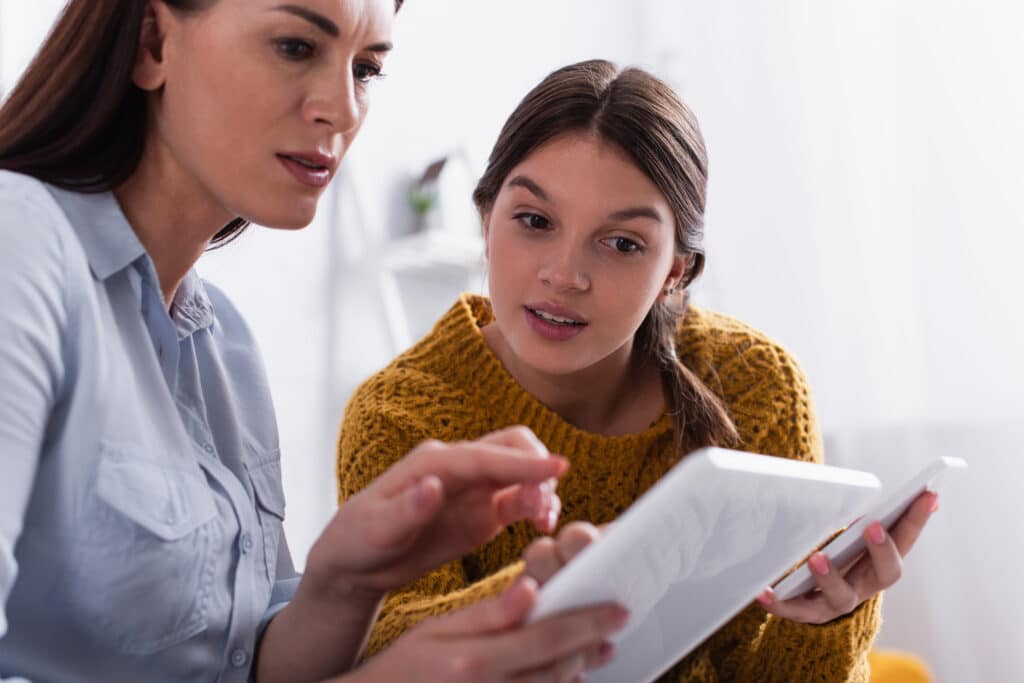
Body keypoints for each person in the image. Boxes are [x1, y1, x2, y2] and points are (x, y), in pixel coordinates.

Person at [0, 2, 627, 682]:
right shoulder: (19, 242)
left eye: (365, 69)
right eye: (297, 47)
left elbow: (240, 668)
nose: (344, 109)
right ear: (154, 42)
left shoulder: (224, 346)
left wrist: (345, 582)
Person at [336, 59, 938, 681]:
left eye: (622, 243)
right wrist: (563, 592)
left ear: (675, 270)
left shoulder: (754, 384)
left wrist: (834, 618)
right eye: (535, 221)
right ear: (486, 219)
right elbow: (388, 646)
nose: (565, 274)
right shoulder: (400, 414)